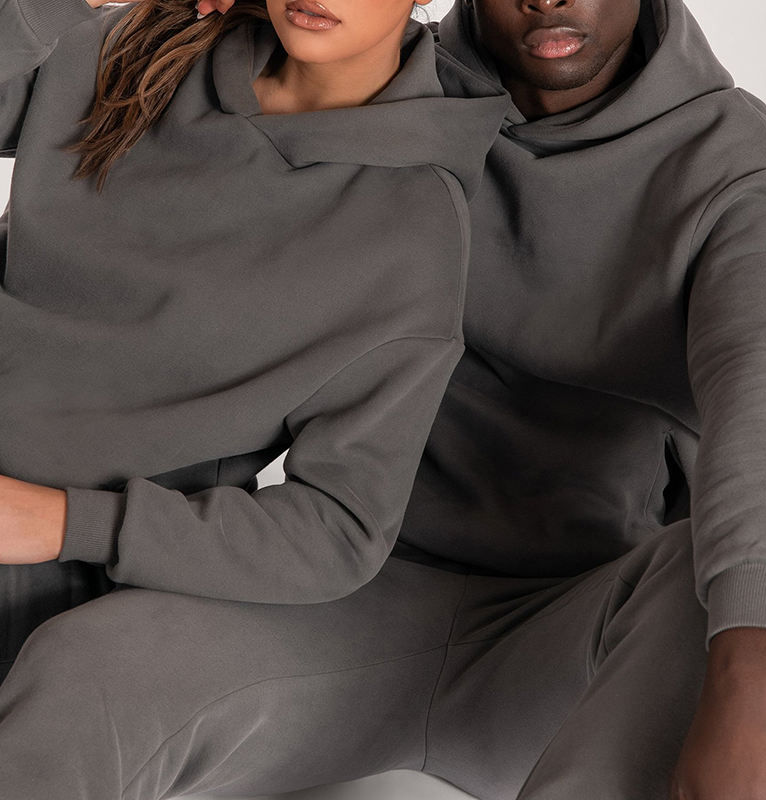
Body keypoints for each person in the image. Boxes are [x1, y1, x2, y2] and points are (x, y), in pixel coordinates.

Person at [0, 0, 509, 795]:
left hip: (49, 577)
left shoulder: (410, 225)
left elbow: (339, 528)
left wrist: (66, 523)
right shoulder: (138, 40)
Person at [392, 0, 766, 798]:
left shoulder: (735, 167)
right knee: (120, 662)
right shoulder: (380, 90)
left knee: (733, 581)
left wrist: (765, 677)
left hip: (590, 635)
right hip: (348, 594)